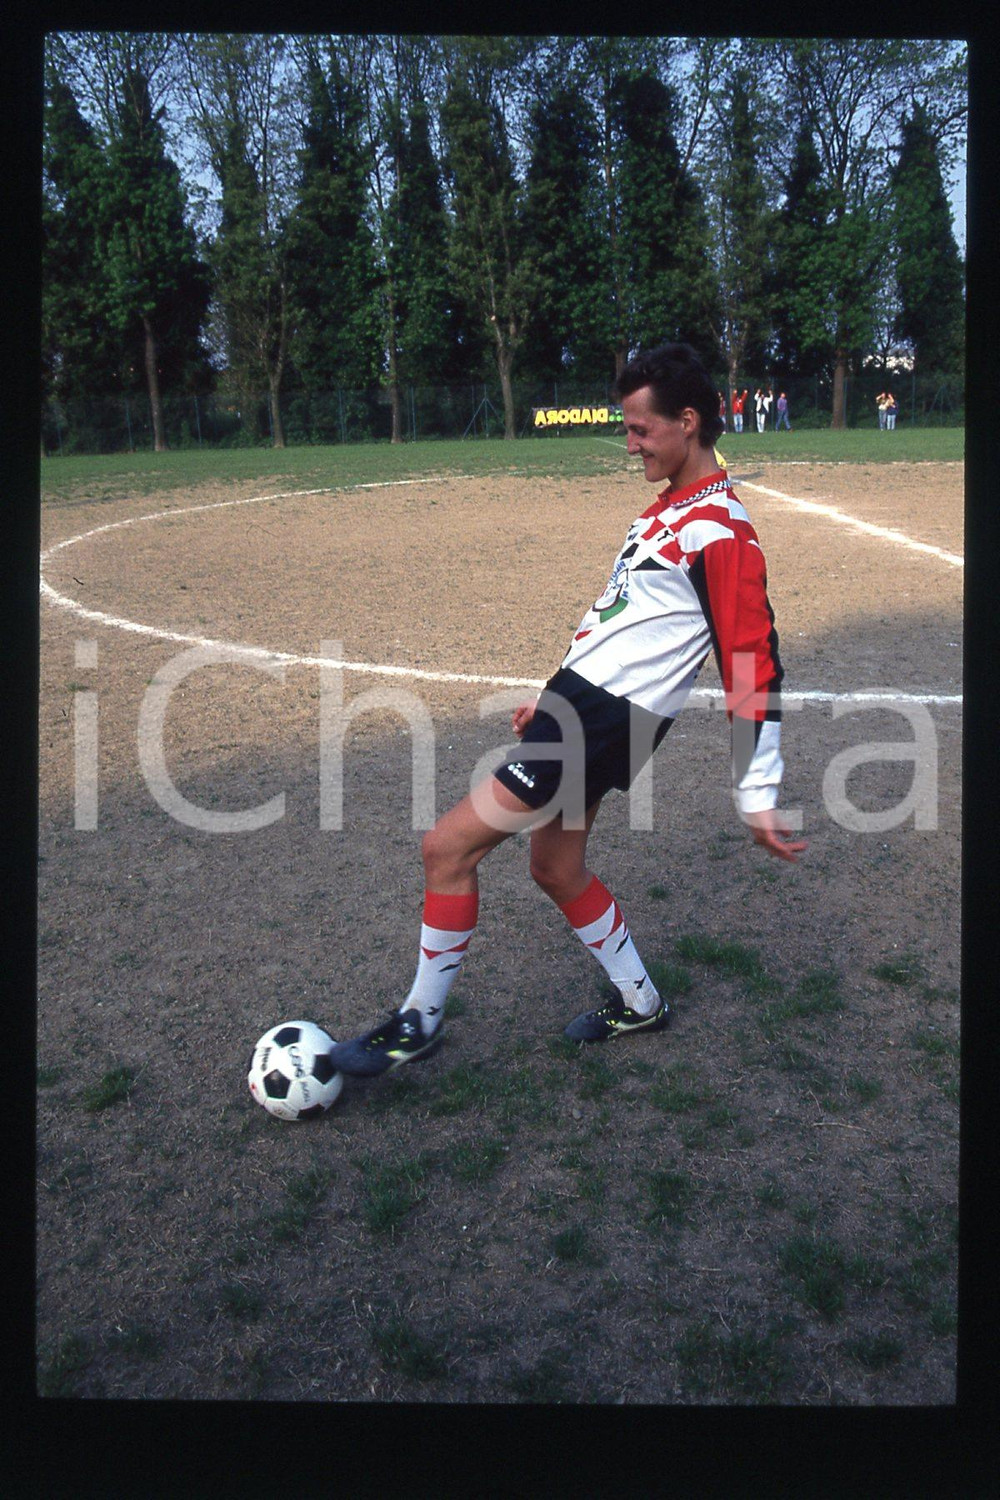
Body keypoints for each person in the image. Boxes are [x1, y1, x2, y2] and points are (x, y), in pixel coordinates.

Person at [330, 342, 806, 1079]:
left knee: (446, 849)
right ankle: (641, 1002)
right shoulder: (667, 512)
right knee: (555, 867)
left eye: (641, 429)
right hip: (580, 712)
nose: (630, 444)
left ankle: (418, 1023)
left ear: (687, 422)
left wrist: (757, 788)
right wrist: (552, 702)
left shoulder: (719, 530)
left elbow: (752, 658)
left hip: (602, 724)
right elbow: (620, 629)